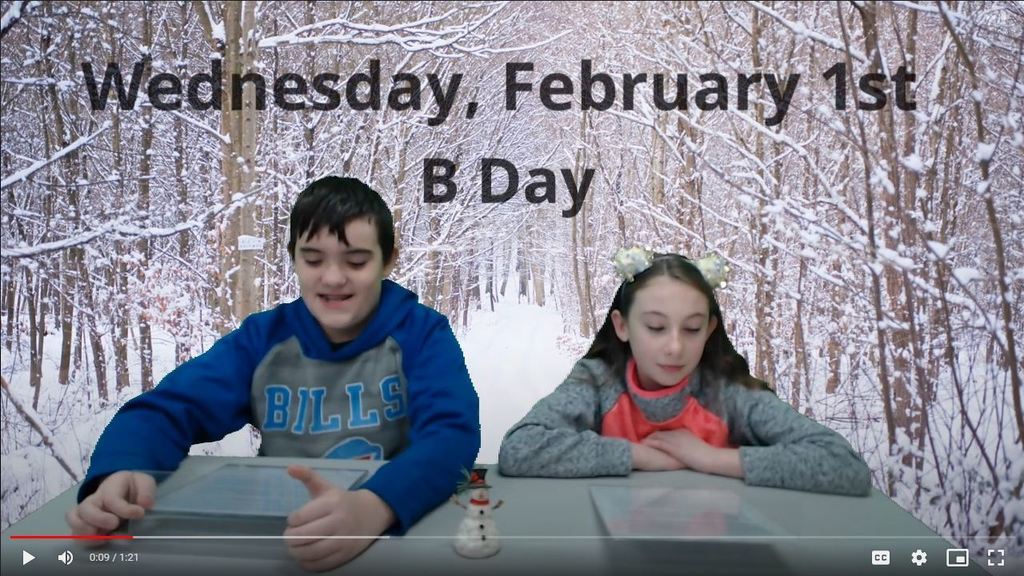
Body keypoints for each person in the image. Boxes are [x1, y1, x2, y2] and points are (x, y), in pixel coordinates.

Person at [67, 176, 481, 571]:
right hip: (279, 538)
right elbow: (165, 411)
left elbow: (452, 435)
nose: (333, 277)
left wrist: (377, 505)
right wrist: (124, 469)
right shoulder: (263, 339)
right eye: (313, 259)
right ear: (293, 259)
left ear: (388, 260)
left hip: (392, 540)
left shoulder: (422, 333)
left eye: (356, 261)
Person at [498, 247, 871, 496]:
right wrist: (635, 455)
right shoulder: (598, 380)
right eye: (656, 327)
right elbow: (520, 448)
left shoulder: (727, 392)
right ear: (622, 326)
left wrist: (711, 459)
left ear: (709, 330)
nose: (675, 347)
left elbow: (845, 466)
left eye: (691, 329)